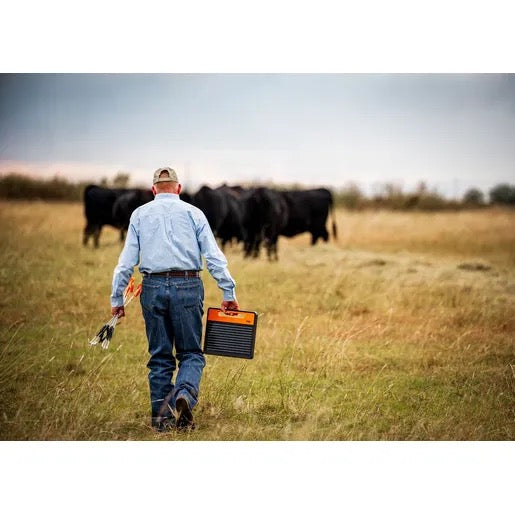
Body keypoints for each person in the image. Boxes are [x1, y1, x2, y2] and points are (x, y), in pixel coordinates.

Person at [110, 167, 239, 432]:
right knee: (191, 353)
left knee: (159, 357)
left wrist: (117, 298)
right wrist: (228, 292)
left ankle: (162, 421)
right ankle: (184, 393)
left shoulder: (139, 214)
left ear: (153, 190)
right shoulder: (194, 213)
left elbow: (125, 264)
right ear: (179, 189)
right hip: (188, 285)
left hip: (153, 286)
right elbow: (214, 257)